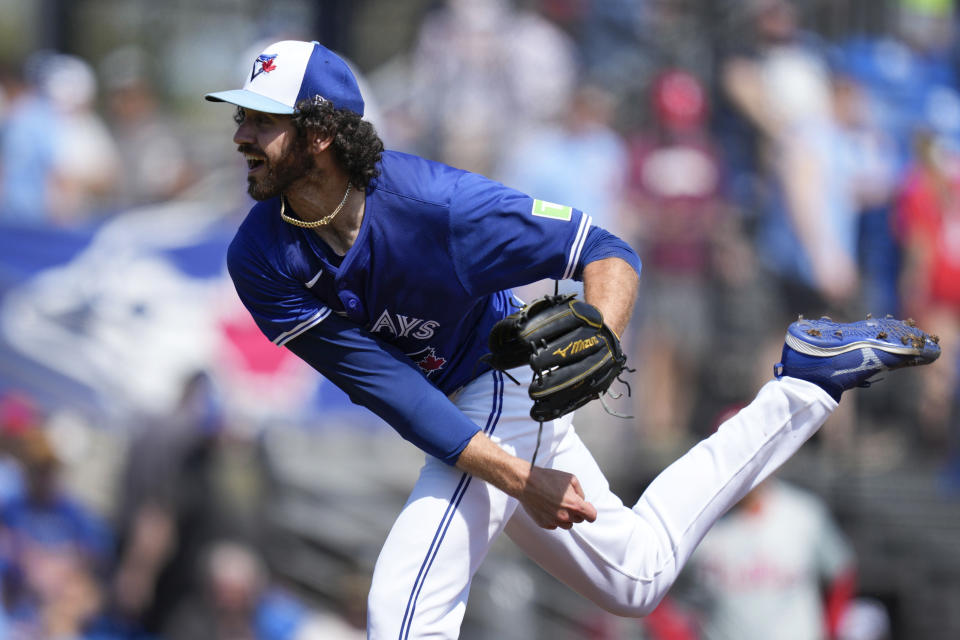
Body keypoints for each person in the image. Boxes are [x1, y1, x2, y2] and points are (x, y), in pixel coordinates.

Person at [205, 40, 941, 639]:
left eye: (263, 121)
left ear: (322, 133)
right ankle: (806, 384)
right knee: (638, 577)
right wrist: (524, 480)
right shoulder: (262, 256)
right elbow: (389, 389)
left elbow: (603, 247)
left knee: (402, 615)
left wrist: (604, 336)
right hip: (457, 415)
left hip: (497, 379)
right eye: (244, 117)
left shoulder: (440, 208)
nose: (242, 134)